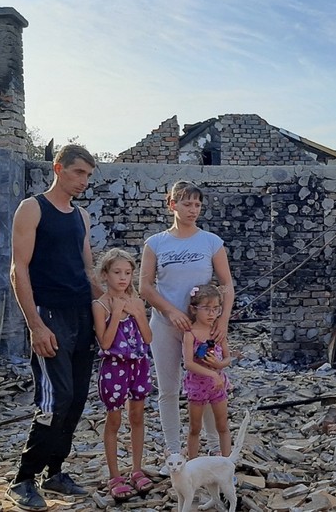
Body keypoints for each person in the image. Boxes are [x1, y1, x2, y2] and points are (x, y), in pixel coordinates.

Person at [7, 145, 100, 512]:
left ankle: (55, 473)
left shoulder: (82, 216)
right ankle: (23, 480)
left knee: (76, 400)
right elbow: (19, 269)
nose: (83, 181)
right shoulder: (33, 208)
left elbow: (88, 269)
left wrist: (116, 306)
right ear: (58, 168)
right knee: (55, 399)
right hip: (49, 315)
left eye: (89, 176)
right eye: (78, 173)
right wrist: (35, 325)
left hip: (81, 315)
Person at [139, 181, 235, 465]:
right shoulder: (155, 243)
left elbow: (227, 284)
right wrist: (170, 311)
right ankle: (174, 450)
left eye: (197, 205)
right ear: (172, 205)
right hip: (166, 325)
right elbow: (144, 286)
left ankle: (212, 450)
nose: (193, 210)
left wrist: (224, 320)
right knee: (168, 388)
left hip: (203, 328)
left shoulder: (211, 241)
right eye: (187, 204)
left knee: (206, 383)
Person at [91, 248, 154, 502]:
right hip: (114, 367)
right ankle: (115, 475)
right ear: (105, 274)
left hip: (138, 364)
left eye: (127, 273)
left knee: (137, 416)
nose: (123, 278)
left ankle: (137, 469)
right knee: (114, 420)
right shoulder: (100, 305)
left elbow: (148, 338)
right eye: (117, 272)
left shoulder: (137, 301)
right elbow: (105, 343)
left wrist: (138, 313)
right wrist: (116, 313)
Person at [182, 284, 233, 458]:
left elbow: (227, 358)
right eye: (207, 309)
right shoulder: (190, 334)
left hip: (218, 386)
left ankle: (227, 463)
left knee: (222, 425)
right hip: (197, 386)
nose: (211, 314)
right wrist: (212, 372)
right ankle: (192, 464)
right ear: (194, 309)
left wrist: (219, 365)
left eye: (215, 309)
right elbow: (188, 363)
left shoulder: (217, 332)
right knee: (194, 428)